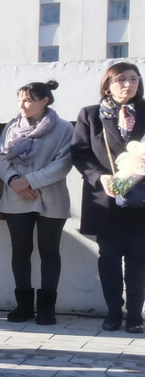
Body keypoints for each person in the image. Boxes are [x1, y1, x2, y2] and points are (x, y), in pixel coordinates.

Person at [70, 61, 145, 332]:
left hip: (140, 198)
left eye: (134, 79)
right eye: (121, 79)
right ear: (108, 85)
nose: (128, 84)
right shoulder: (91, 115)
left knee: (139, 258)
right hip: (105, 198)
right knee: (109, 257)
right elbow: (79, 152)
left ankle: (135, 314)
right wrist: (99, 177)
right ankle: (114, 311)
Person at [0, 80, 72, 325]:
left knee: (49, 251)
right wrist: (15, 180)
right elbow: (0, 156)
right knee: (20, 250)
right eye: (20, 100)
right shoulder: (13, 127)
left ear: (44, 101)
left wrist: (30, 181)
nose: (22, 105)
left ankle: (47, 308)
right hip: (16, 196)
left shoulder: (63, 128)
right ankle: (23, 306)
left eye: (27, 100)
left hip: (51, 197)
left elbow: (63, 162)